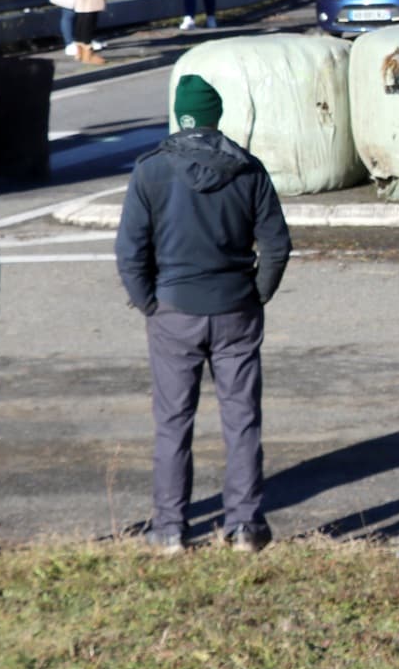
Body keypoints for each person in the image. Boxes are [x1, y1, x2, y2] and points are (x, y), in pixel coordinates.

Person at [115, 74, 292, 553]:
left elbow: (130, 251)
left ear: (179, 115)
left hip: (173, 311)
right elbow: (276, 245)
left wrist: (150, 303)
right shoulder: (248, 169)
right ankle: (244, 527)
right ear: (217, 118)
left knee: (173, 422)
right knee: (242, 419)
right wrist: (257, 294)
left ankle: (170, 528)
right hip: (236, 308)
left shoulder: (151, 170)